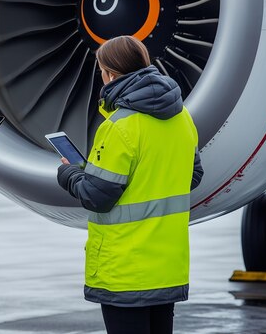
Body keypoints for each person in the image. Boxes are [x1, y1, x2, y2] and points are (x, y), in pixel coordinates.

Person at [56, 36, 203, 334]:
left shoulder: (119, 127)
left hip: (126, 271)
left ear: (109, 74)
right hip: (167, 268)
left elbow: (96, 197)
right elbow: (193, 175)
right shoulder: (182, 118)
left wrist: (69, 174)